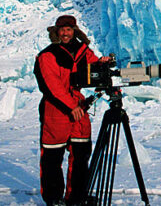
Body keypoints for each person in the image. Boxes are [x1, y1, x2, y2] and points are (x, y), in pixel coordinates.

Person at [34, 15, 111, 205]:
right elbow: (51, 86)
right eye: (62, 30)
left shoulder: (82, 50)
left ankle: (76, 197)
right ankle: (53, 199)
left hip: (78, 105)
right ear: (56, 32)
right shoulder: (48, 55)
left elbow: (93, 64)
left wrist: (102, 63)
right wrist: (71, 106)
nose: (66, 33)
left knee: (81, 151)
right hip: (56, 109)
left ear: (74, 31)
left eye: (69, 30)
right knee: (53, 155)